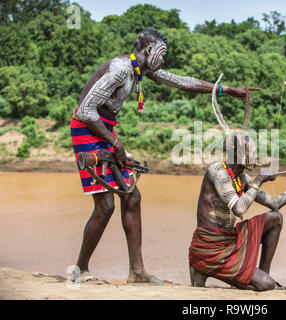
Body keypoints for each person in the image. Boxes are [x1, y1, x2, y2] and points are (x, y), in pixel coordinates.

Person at [70, 28, 257, 283]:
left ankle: (137, 272)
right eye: (162, 53)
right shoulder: (121, 69)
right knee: (105, 206)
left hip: (105, 131)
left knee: (132, 197)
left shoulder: (141, 71)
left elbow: (182, 81)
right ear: (148, 50)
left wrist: (229, 90)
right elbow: (85, 111)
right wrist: (117, 144)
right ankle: (80, 269)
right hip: (88, 130)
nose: (164, 60)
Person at [189, 133, 286, 291]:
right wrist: (259, 181)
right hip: (210, 249)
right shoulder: (217, 171)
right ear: (234, 152)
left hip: (228, 242)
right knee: (268, 285)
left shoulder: (241, 178)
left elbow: (275, 203)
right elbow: (239, 209)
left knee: (275, 218)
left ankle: (263, 275)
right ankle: (203, 267)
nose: (254, 154)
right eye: (249, 149)